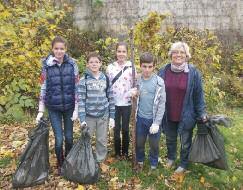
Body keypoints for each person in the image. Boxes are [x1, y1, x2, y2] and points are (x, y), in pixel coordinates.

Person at [158, 41, 207, 174]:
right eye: (175, 52)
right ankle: (171, 158)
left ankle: (184, 163)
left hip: (186, 114)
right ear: (171, 54)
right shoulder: (163, 70)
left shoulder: (193, 73)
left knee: (185, 141)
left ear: (186, 55)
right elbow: (155, 90)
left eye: (182, 52)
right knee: (170, 139)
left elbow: (198, 95)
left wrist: (201, 112)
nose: (178, 55)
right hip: (168, 113)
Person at [36, 36, 79, 175]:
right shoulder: (46, 66)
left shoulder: (72, 64)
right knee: (59, 139)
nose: (59, 51)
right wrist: (41, 110)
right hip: (53, 108)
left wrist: (77, 109)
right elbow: (43, 88)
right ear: (52, 49)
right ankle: (61, 164)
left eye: (62, 48)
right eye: (56, 48)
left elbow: (77, 87)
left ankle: (69, 161)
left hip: (69, 107)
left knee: (69, 137)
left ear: (65, 49)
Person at [78, 52, 115, 163]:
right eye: (91, 62)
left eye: (97, 62)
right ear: (87, 64)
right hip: (89, 116)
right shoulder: (83, 80)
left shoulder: (106, 79)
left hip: (103, 114)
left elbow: (111, 97)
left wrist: (112, 116)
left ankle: (100, 159)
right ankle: (86, 159)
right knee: (86, 138)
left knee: (102, 139)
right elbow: (81, 100)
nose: (94, 64)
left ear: (101, 64)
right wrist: (82, 119)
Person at [135, 52, 166, 170]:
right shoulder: (137, 80)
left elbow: (162, 104)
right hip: (140, 119)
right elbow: (134, 96)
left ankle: (153, 162)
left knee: (154, 144)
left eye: (150, 67)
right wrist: (132, 94)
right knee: (139, 142)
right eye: (144, 66)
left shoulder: (159, 82)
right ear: (140, 66)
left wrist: (157, 123)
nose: (147, 70)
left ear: (154, 66)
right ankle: (140, 160)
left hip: (153, 120)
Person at [106, 42, 135, 159]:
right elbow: (107, 85)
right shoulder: (110, 67)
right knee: (116, 129)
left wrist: (133, 92)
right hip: (114, 103)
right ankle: (117, 152)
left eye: (123, 51)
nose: (121, 54)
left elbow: (135, 85)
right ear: (116, 52)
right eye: (119, 51)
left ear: (127, 53)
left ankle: (125, 152)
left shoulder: (131, 67)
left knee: (125, 129)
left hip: (127, 103)